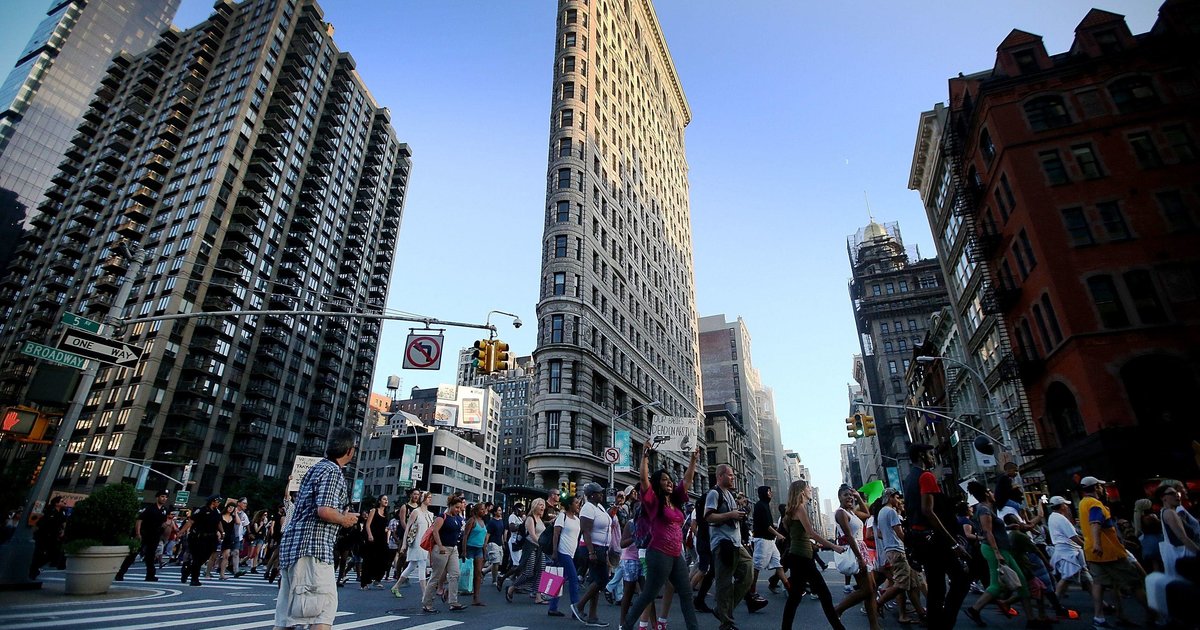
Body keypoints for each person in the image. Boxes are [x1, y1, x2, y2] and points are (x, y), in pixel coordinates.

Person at [272, 427, 359, 630]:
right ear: (350, 451)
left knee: (286, 616)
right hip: (313, 549)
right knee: (322, 611)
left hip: (295, 548)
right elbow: (325, 510)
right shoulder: (332, 471)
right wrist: (345, 519)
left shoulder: (317, 468)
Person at [621, 443, 703, 630]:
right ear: (658, 483)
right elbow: (643, 480)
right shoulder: (653, 502)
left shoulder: (675, 500)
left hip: (676, 555)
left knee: (686, 593)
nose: (669, 482)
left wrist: (693, 459)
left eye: (670, 480)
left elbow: (687, 481)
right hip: (658, 554)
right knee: (648, 594)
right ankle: (625, 626)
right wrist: (644, 457)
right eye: (664, 480)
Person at [903, 443, 970, 630]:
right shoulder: (926, 476)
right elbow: (928, 511)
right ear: (922, 455)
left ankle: (936, 623)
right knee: (961, 580)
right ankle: (945, 623)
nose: (933, 457)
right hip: (934, 540)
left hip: (920, 539)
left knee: (936, 587)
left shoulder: (909, 479)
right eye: (931, 454)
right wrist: (954, 544)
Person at [962, 481, 1043, 629]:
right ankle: (974, 609)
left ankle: (1032, 619)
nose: (993, 494)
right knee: (998, 585)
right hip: (995, 549)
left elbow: (991, 528)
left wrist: (1007, 526)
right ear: (987, 494)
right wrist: (997, 552)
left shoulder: (985, 509)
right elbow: (987, 531)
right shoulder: (984, 509)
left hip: (999, 549)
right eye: (991, 492)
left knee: (1019, 583)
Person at [1079, 476, 1150, 629]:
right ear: (1096, 487)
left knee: (1102, 584)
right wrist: (1098, 544)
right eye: (1101, 486)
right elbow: (1095, 523)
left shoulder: (1083, 503)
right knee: (1135, 582)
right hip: (1110, 553)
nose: (1103, 489)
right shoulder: (1095, 504)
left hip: (1092, 553)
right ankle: (1156, 616)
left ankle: (1101, 618)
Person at [781, 478, 847, 630]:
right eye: (808, 488)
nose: (810, 490)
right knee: (824, 594)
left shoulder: (792, 510)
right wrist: (834, 546)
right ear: (802, 491)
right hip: (802, 558)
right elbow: (811, 532)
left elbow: (799, 536)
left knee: (795, 597)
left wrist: (814, 545)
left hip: (798, 556)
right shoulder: (800, 508)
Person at [832, 485, 881, 630]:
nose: (849, 498)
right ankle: (838, 609)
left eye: (851, 495)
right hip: (855, 551)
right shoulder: (841, 513)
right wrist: (860, 558)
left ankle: (874, 626)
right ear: (839, 497)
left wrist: (858, 497)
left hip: (862, 549)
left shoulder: (852, 512)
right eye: (846, 495)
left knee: (871, 588)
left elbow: (867, 515)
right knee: (867, 590)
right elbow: (848, 536)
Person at [875, 488, 925, 624]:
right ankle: (878, 603)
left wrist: (888, 538)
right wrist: (910, 546)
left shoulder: (881, 512)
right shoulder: (891, 512)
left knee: (913, 583)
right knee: (901, 584)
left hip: (891, 550)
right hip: (898, 550)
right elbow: (899, 532)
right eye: (896, 498)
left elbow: (880, 533)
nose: (898, 501)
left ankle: (921, 613)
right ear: (890, 497)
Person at [574, 482, 614, 626]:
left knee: (596, 581)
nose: (601, 494)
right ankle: (579, 606)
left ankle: (592, 616)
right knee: (602, 580)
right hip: (592, 548)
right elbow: (586, 531)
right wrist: (591, 552)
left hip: (601, 548)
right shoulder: (587, 508)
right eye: (599, 493)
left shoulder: (600, 507)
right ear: (591, 495)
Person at [422, 494, 467, 613]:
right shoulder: (442, 517)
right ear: (450, 506)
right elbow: (435, 532)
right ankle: (427, 603)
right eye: (456, 507)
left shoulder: (458, 518)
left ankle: (453, 601)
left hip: (453, 549)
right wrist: (440, 545)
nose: (458, 509)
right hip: (441, 548)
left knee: (455, 574)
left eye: (459, 507)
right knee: (436, 576)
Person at [1045, 496, 1091, 606]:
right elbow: (1073, 536)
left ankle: (1102, 604)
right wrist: (1087, 546)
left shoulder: (1052, 517)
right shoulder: (1061, 519)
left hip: (1067, 549)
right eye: (1065, 504)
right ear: (1061, 506)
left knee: (1086, 579)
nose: (1067, 506)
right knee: (1067, 577)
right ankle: (1055, 601)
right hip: (1069, 551)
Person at [116, 489, 170, 582]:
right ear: (157, 497)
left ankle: (150, 575)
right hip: (144, 533)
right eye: (162, 496)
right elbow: (139, 520)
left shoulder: (164, 510)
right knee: (133, 554)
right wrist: (138, 533)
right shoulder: (150, 508)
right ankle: (120, 574)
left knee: (150, 556)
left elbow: (163, 523)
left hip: (155, 535)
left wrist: (166, 528)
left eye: (165, 497)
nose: (164, 498)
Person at [507, 497, 549, 604]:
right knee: (528, 572)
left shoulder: (540, 519)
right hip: (531, 547)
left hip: (540, 548)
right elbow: (532, 535)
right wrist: (540, 543)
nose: (542, 507)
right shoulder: (530, 518)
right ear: (535, 506)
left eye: (543, 505)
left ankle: (538, 597)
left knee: (541, 571)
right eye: (540, 504)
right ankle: (512, 587)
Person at [393, 491, 434, 597]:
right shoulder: (416, 512)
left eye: (430, 497)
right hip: (416, 542)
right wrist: (404, 544)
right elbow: (408, 527)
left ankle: (396, 586)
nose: (430, 499)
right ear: (423, 499)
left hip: (425, 542)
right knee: (421, 565)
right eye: (428, 497)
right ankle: (425, 593)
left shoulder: (430, 514)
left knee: (411, 566)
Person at [750, 485, 787, 600]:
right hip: (762, 540)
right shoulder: (760, 506)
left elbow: (768, 524)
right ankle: (752, 592)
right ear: (764, 493)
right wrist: (778, 534)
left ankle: (788, 587)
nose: (771, 493)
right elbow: (766, 525)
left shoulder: (765, 505)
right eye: (769, 491)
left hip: (770, 541)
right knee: (756, 567)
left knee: (778, 564)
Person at [1157, 481, 1200, 571]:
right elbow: (1183, 537)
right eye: (1172, 493)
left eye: (1177, 493)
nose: (1177, 495)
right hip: (1185, 556)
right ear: (1163, 498)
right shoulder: (1170, 512)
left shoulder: (1168, 511)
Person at [183, 495, 224, 586]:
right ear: (213, 501)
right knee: (197, 558)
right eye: (218, 501)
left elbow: (219, 522)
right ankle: (194, 579)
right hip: (199, 537)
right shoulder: (202, 510)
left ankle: (188, 569)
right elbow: (191, 521)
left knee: (204, 558)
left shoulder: (217, 511)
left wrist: (222, 532)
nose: (219, 503)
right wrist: (181, 532)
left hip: (211, 538)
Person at [29, 496, 67, 579]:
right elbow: (39, 523)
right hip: (44, 535)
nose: (64, 503)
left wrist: (62, 531)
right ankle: (33, 570)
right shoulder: (49, 511)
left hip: (54, 536)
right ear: (56, 503)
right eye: (62, 501)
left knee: (54, 554)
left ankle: (35, 568)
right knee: (40, 553)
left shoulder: (62, 512)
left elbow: (64, 522)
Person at [361, 495, 392, 589]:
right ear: (379, 501)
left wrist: (387, 537)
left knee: (384, 559)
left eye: (387, 499)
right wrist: (370, 535)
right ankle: (364, 583)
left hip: (382, 538)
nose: (386, 501)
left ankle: (377, 579)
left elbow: (386, 527)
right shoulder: (374, 510)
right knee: (369, 560)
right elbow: (367, 524)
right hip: (373, 538)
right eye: (384, 499)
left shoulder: (386, 513)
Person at [462, 502, 489, 606]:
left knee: (478, 573)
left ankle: (476, 597)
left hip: (479, 549)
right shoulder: (472, 521)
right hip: (470, 548)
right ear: (477, 511)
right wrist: (464, 551)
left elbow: (483, 538)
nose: (483, 511)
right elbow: (465, 536)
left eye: (484, 509)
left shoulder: (482, 521)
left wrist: (484, 551)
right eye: (481, 509)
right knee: (467, 571)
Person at [1133, 498, 1163, 573]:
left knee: (1155, 563)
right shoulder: (1150, 517)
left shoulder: (1138, 517)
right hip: (1155, 538)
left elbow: (1138, 531)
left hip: (1148, 540)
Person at [485, 505, 507, 588]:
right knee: (496, 562)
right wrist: (485, 544)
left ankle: (484, 572)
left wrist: (503, 543)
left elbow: (501, 533)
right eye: (498, 510)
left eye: (500, 510)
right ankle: (494, 579)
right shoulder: (492, 522)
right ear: (494, 512)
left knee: (497, 562)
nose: (500, 512)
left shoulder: (501, 521)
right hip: (492, 542)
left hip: (499, 543)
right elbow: (488, 534)